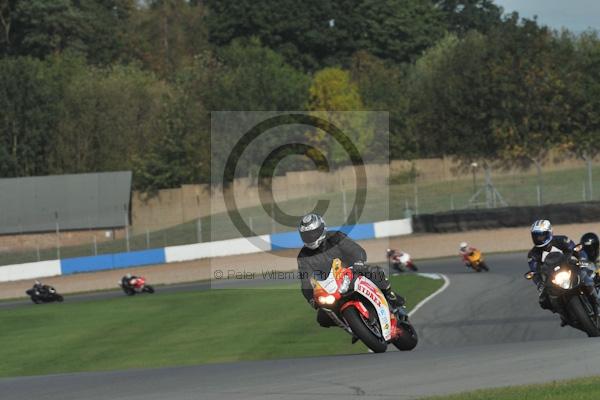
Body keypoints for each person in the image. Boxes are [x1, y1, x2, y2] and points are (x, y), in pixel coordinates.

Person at [297, 213, 404, 328]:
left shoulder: (335, 237)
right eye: (307, 235)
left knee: (375, 273)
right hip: (331, 287)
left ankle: (390, 295)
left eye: (312, 233)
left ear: (321, 229)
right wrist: (311, 299)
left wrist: (358, 262)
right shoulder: (303, 256)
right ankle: (351, 325)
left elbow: (356, 250)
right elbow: (305, 281)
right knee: (322, 319)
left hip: (352, 272)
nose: (310, 237)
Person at [527, 220, 599, 313]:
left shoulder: (562, 240)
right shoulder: (532, 254)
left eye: (542, 235)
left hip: (569, 268)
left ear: (549, 233)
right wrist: (539, 284)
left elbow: (576, 250)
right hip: (552, 278)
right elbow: (534, 272)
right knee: (544, 300)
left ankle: (596, 302)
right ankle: (563, 313)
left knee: (586, 276)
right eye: (536, 236)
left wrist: (581, 260)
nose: (539, 238)